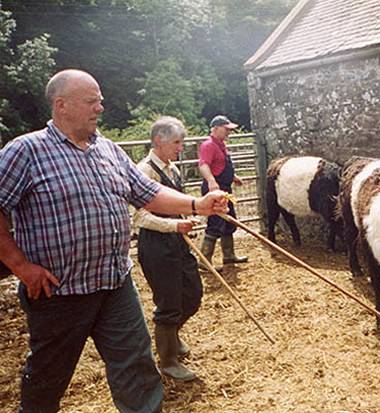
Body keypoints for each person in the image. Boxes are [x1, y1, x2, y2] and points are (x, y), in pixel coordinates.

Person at [0, 69, 228, 413]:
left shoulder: (108, 149)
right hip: (58, 292)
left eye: (100, 101)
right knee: (48, 380)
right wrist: (20, 266)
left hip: (115, 284)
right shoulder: (26, 151)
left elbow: (148, 193)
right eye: (92, 101)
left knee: (137, 368)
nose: (100, 108)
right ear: (61, 106)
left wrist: (198, 204)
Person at [134, 116, 201, 381]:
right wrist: (174, 227)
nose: (181, 147)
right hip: (155, 245)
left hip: (177, 241)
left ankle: (171, 336)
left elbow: (175, 205)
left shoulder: (172, 169)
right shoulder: (144, 171)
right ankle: (169, 360)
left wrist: (185, 219)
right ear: (158, 141)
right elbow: (138, 218)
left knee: (193, 293)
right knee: (169, 303)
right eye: (176, 142)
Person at [198, 115, 248, 268]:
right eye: (226, 129)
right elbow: (204, 165)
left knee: (229, 221)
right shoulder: (208, 145)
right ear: (216, 128)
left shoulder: (221, 145)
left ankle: (229, 255)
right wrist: (212, 182)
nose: (229, 132)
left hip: (225, 189)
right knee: (216, 222)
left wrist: (233, 177)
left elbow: (219, 165)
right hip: (215, 189)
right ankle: (204, 261)